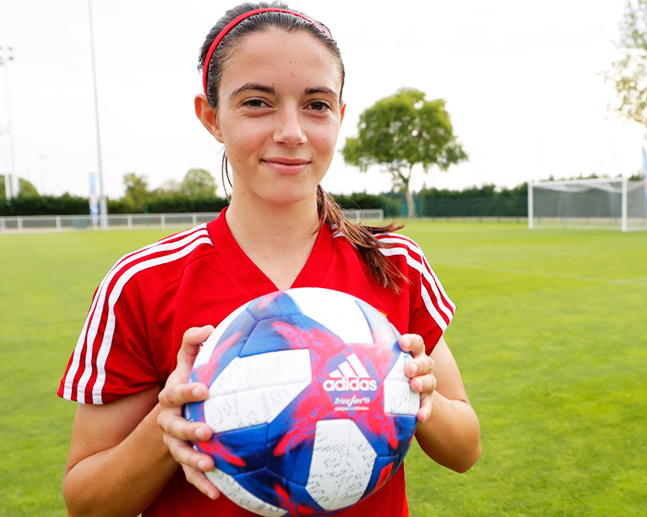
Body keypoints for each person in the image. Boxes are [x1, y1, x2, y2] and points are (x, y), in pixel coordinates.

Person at [57, 3, 481, 516]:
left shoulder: (394, 264)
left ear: (340, 117)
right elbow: (86, 503)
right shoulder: (142, 283)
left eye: (316, 105)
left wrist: (413, 396)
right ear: (211, 117)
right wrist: (165, 425)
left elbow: (465, 451)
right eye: (258, 102)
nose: (292, 131)